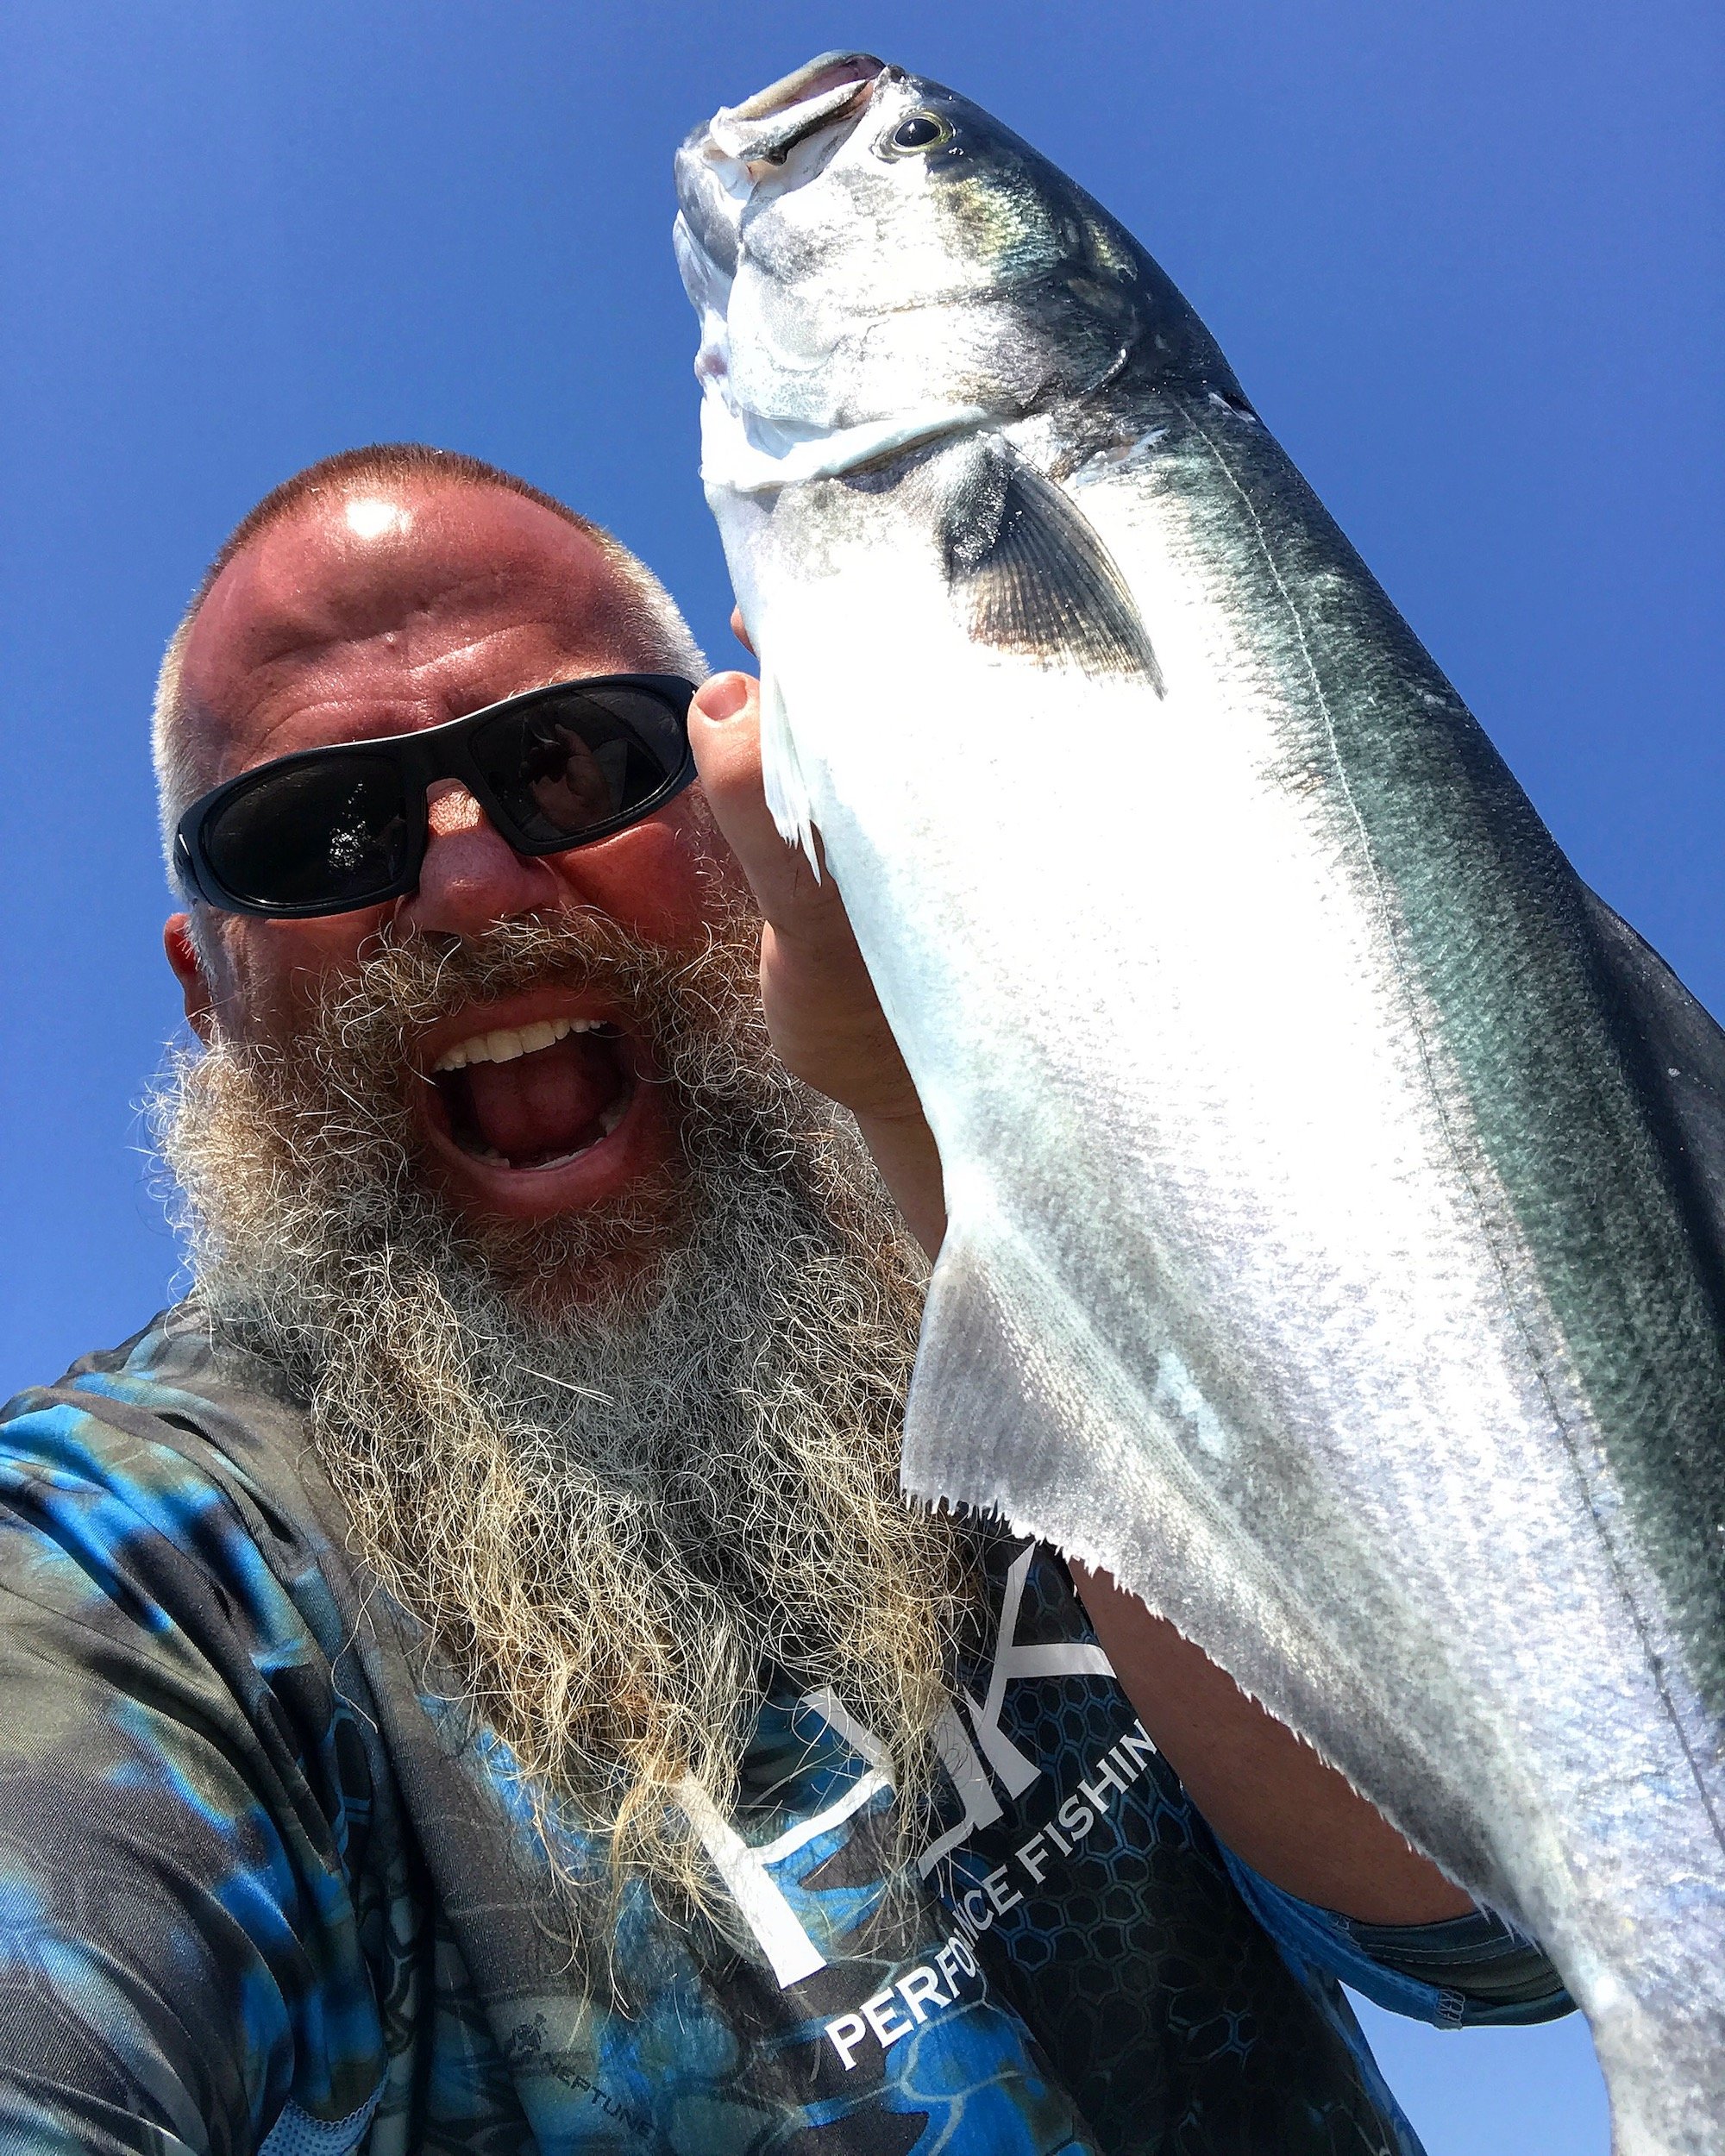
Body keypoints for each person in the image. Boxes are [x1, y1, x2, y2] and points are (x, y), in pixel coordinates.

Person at [0, 444, 1570, 2156]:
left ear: (743, 795)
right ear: (208, 987)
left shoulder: (994, 1246)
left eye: (570, 759)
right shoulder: (151, 1567)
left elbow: (1480, 1925)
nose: (470, 882)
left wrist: (947, 1139)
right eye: (316, 833)